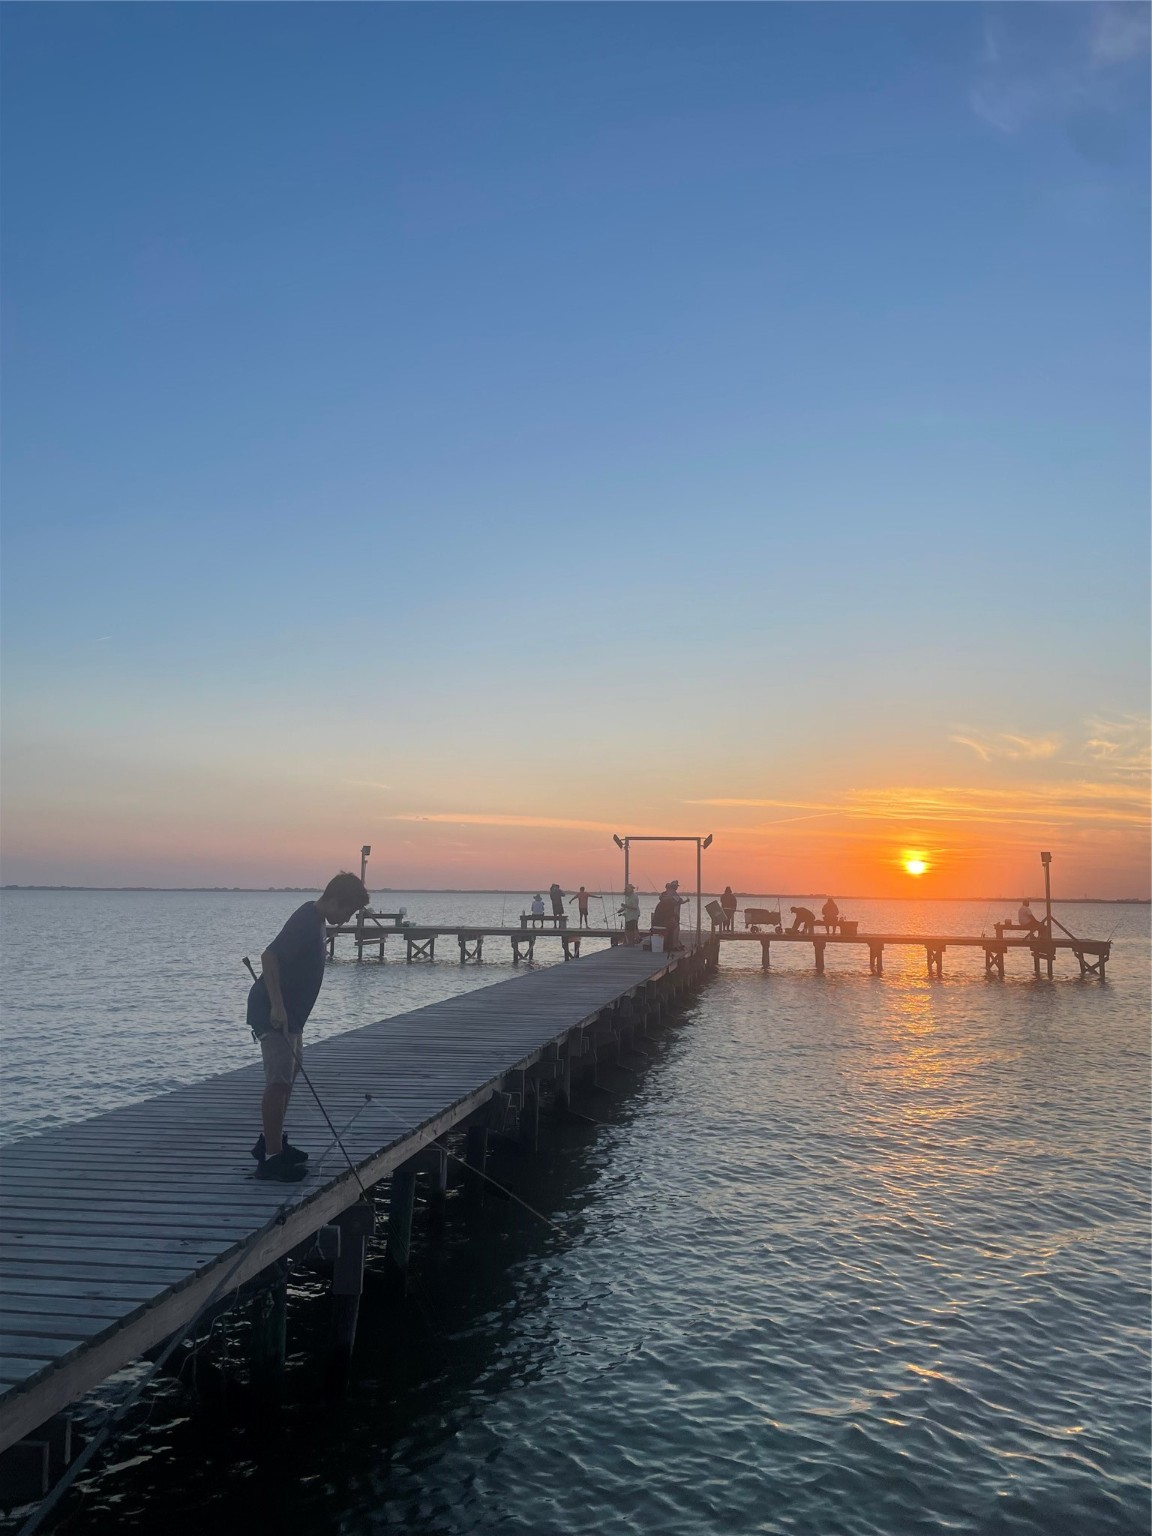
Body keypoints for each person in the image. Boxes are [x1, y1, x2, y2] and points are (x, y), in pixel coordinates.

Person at [247, 871, 369, 1182]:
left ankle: (272, 1143)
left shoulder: (316, 922)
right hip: (275, 1015)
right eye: (348, 911)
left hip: (292, 1017)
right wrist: (276, 1005)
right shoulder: (305, 920)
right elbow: (269, 957)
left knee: (289, 1076)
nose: (347, 918)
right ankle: (271, 1160)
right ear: (334, 900)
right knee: (277, 1082)